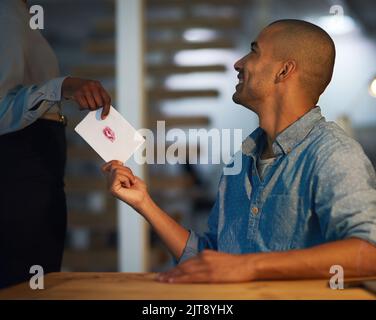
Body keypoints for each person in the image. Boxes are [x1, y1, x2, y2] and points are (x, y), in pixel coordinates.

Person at [102, 19, 376, 283]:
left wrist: (249, 266)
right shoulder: (243, 159)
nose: (239, 62)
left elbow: (369, 252)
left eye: (254, 51)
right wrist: (143, 202)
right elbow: (213, 259)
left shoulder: (333, 154)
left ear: (283, 71)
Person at [0, 0, 111, 288]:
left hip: (34, 163)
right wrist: (61, 87)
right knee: (24, 283)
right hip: (20, 164)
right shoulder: (6, 11)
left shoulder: (20, 13)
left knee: (36, 278)